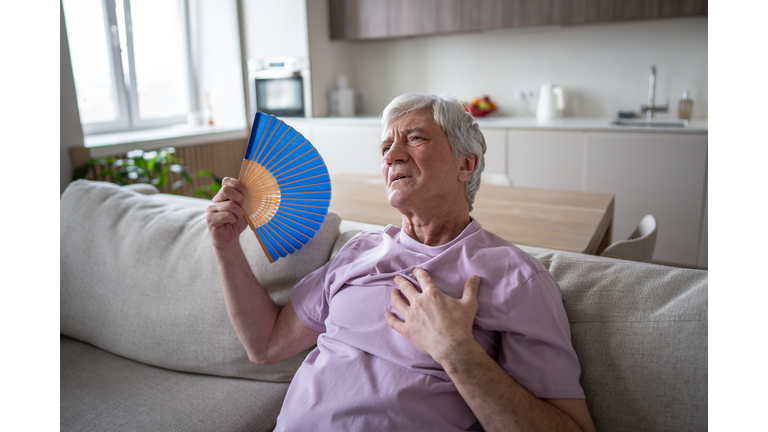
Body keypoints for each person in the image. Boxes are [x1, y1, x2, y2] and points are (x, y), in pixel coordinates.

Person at [206, 93, 596, 431]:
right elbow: (266, 345)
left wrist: (456, 350)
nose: (391, 155)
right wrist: (226, 247)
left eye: (414, 138)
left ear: (466, 165)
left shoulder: (516, 277)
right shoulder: (360, 251)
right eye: (385, 147)